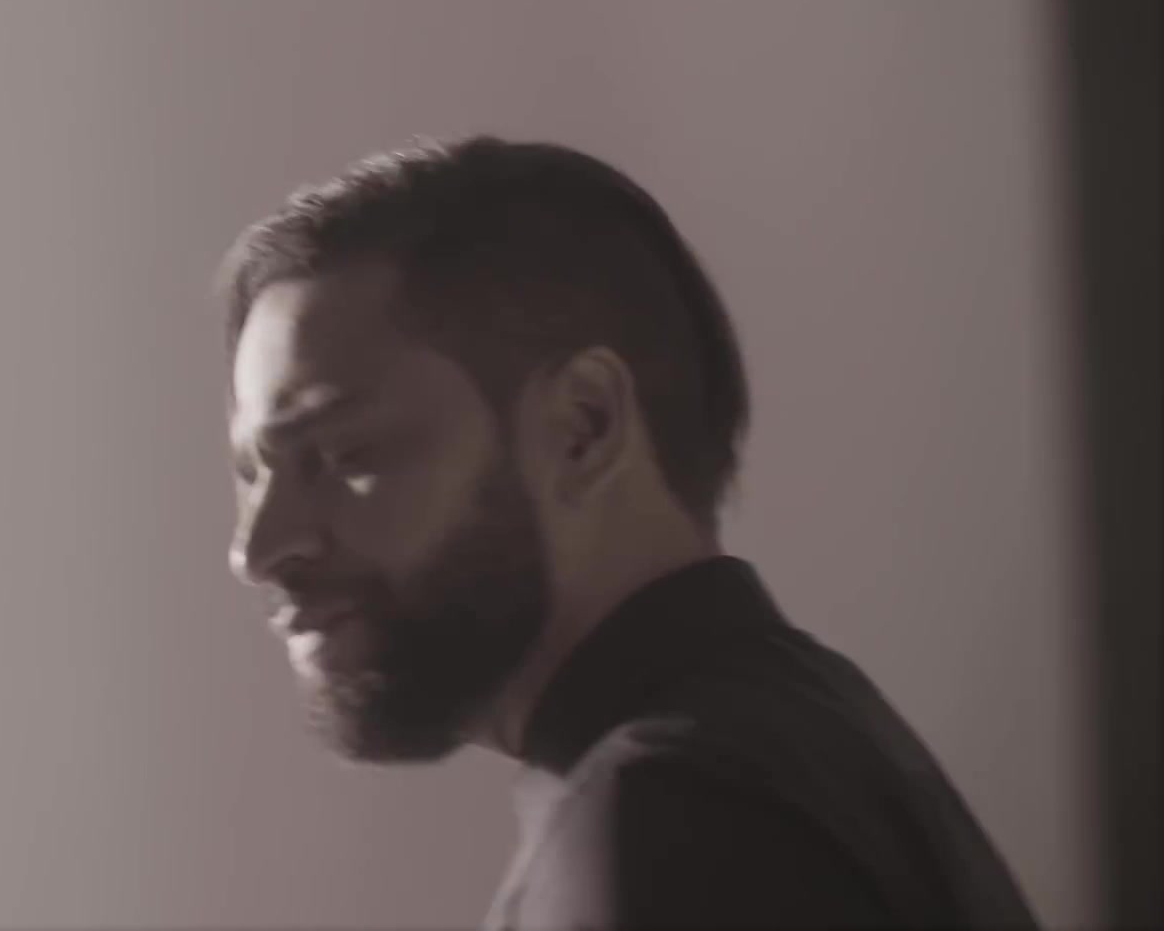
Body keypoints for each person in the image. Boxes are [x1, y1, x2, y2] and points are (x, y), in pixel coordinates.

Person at [215, 137, 1040, 929]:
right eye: (253, 471)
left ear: (584, 427)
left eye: (342, 453)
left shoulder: (671, 819)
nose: (257, 551)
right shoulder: (799, 741)